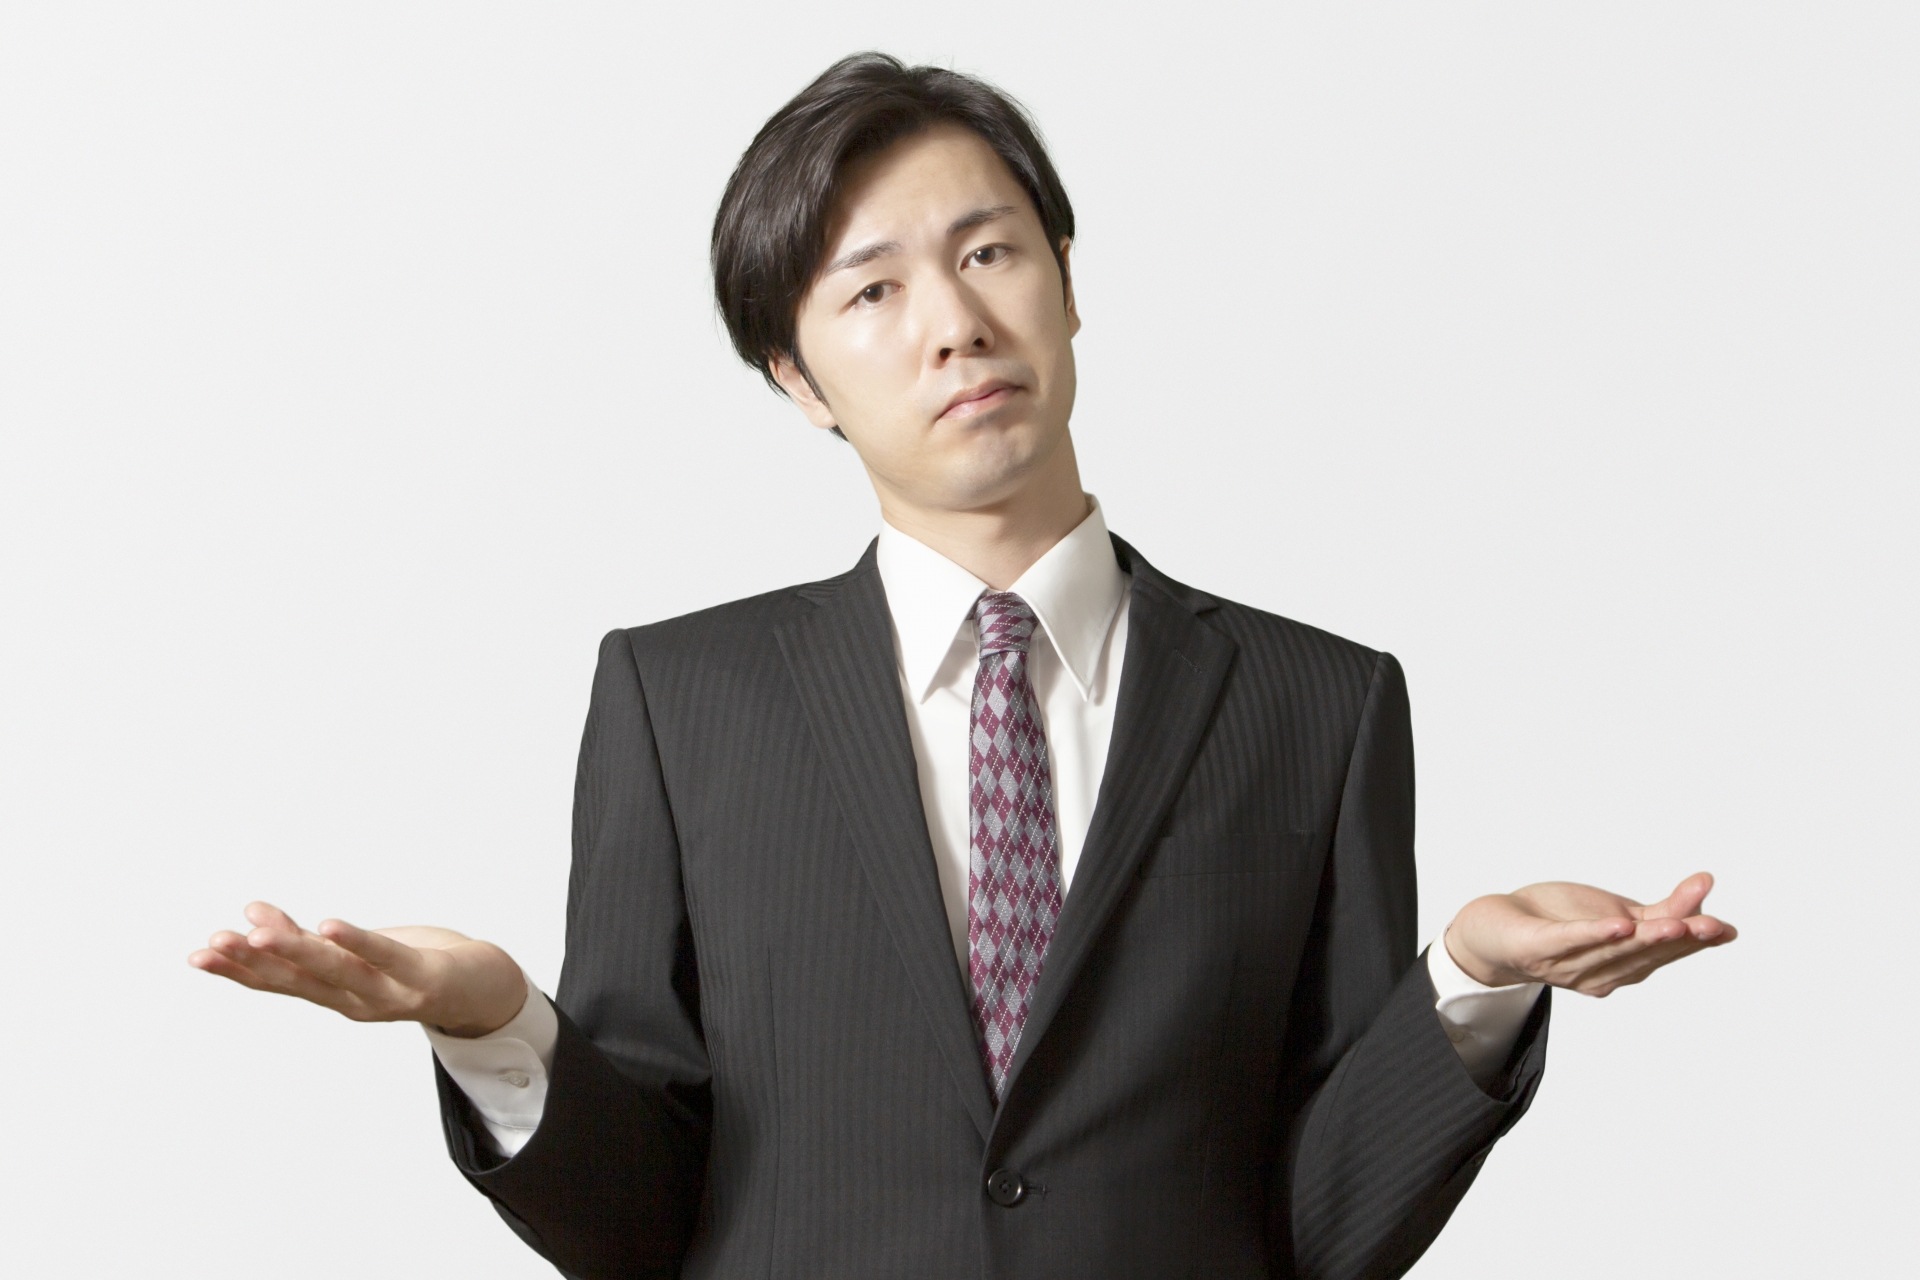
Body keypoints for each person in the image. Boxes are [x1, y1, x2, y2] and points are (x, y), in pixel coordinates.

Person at [189, 53, 1736, 1280]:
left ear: (1066, 279)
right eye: (872, 290)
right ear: (799, 377)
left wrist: (1465, 986)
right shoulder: (680, 703)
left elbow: (1325, 1228)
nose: (954, 324)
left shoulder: (1320, 706)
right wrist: (495, 1023)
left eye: (990, 251)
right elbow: (642, 1225)